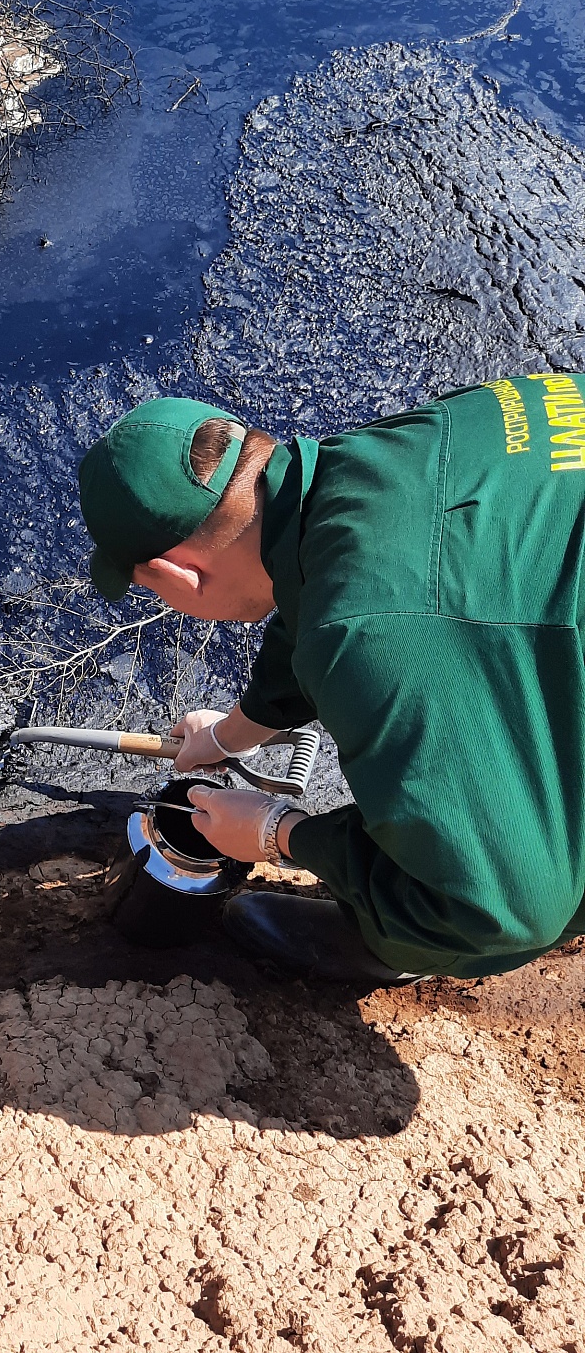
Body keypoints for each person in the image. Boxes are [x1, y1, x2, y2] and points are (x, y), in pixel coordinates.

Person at [77, 382, 585, 983]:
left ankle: (391, 943)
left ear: (177, 573)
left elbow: (504, 910)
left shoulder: (367, 636)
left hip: (490, 904)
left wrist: (279, 833)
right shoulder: (381, 455)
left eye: (148, 587)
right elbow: (314, 583)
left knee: (471, 905)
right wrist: (230, 735)